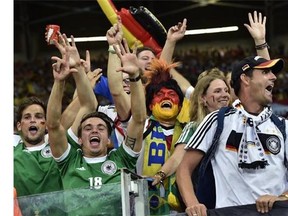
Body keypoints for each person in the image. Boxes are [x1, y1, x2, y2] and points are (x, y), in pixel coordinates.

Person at [46, 33, 146, 214]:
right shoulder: (68, 161)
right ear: (79, 138)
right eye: (87, 128)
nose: (94, 131)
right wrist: (59, 82)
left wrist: (135, 78)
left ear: (108, 139)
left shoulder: (122, 160)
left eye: (101, 128)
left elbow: (138, 120)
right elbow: (53, 126)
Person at [176, 55, 287, 216]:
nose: (274, 77)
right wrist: (193, 204)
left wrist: (281, 197)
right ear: (245, 79)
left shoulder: (282, 126)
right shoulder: (217, 120)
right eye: (265, 72)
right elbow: (184, 168)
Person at [14, 96, 63, 197]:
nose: (32, 120)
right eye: (27, 117)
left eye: (38, 116)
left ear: (46, 124)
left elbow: (86, 106)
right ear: (19, 126)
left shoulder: (59, 146)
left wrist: (59, 82)